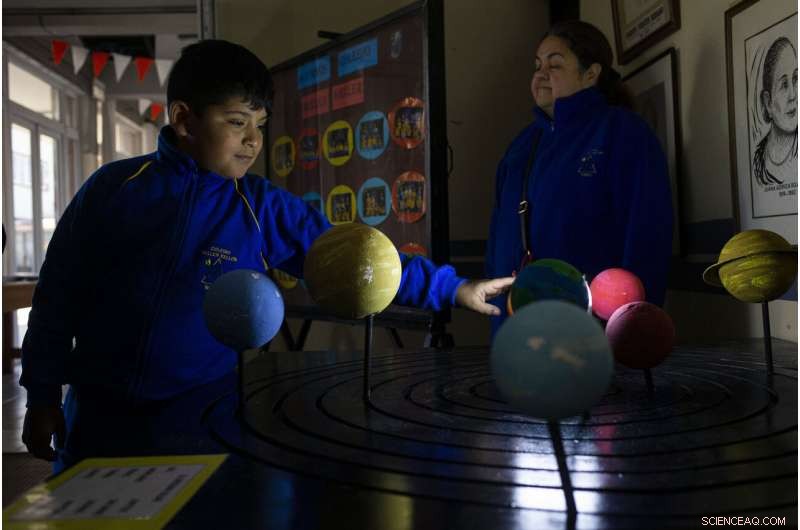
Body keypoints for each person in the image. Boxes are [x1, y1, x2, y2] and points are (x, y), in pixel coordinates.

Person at [20, 40, 513, 473]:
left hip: (203, 417)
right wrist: (42, 393)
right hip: (98, 420)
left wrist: (453, 287)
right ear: (184, 119)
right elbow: (58, 294)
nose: (253, 139)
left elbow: (356, 260)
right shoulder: (113, 189)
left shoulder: (262, 207)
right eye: (236, 123)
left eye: (259, 124)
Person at [486, 20, 673, 335]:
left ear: (591, 73)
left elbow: (647, 232)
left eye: (555, 64)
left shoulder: (623, 132)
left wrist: (633, 326)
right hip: (516, 328)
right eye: (537, 65)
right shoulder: (521, 145)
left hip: (592, 330)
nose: (541, 73)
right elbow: (496, 238)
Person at [752, 37, 797, 187]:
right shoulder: (758, 162)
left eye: (796, 79)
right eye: (784, 85)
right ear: (768, 102)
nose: (793, 95)